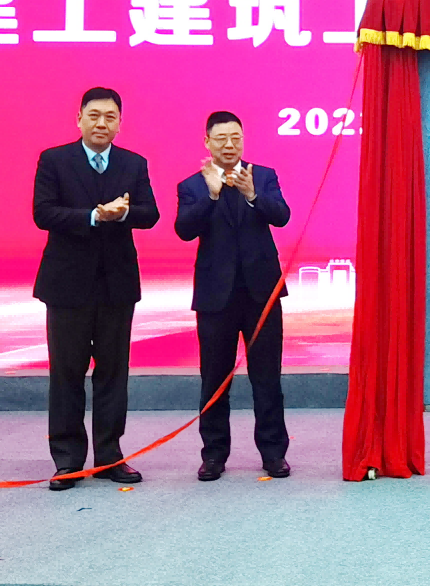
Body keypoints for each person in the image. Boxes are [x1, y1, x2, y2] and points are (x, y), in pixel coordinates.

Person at [33, 86, 159, 491]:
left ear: (120, 124)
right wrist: (92, 216)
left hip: (116, 286)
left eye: (110, 117)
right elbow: (43, 213)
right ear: (79, 119)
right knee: (66, 374)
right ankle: (68, 461)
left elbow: (151, 214)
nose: (101, 123)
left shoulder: (134, 163)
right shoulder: (54, 160)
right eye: (94, 115)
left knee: (113, 375)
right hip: (66, 285)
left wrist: (122, 214)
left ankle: (109, 456)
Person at [175, 111, 293, 481]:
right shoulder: (193, 185)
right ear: (207, 142)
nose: (229, 145)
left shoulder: (264, 176)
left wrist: (253, 194)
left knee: (267, 378)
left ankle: (273, 453)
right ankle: (213, 455)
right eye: (222, 138)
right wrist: (211, 194)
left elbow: (282, 216)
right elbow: (184, 229)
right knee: (214, 379)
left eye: (236, 138)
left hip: (262, 294)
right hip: (215, 298)